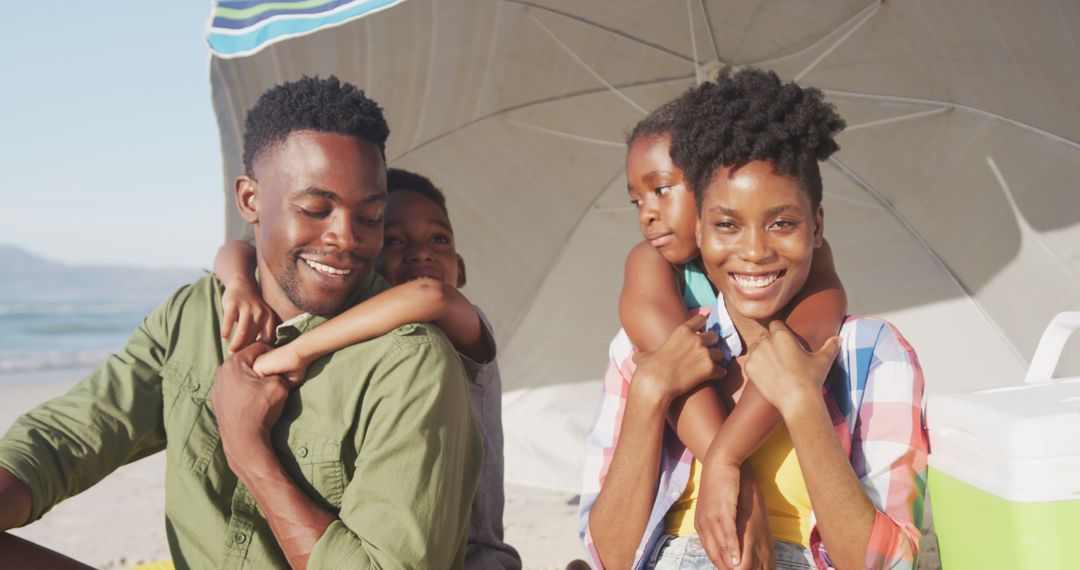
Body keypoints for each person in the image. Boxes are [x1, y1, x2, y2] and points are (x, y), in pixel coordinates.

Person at [0, 76, 482, 569]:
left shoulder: (409, 363)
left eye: (372, 216)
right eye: (315, 209)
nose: (347, 238)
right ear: (250, 200)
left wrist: (248, 451)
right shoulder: (194, 313)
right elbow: (72, 433)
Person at [581, 68, 928, 570]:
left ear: (817, 226)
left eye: (782, 222)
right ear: (698, 228)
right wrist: (650, 393)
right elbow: (609, 558)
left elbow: (890, 565)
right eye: (727, 225)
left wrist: (801, 401)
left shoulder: (870, 352)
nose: (755, 251)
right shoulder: (646, 351)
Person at [214, 167, 522, 569]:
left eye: (439, 239)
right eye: (393, 240)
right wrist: (238, 282)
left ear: (460, 270)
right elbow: (238, 248)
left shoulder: (465, 330)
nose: (421, 252)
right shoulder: (370, 342)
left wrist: (296, 352)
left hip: (475, 557)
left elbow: (430, 295)